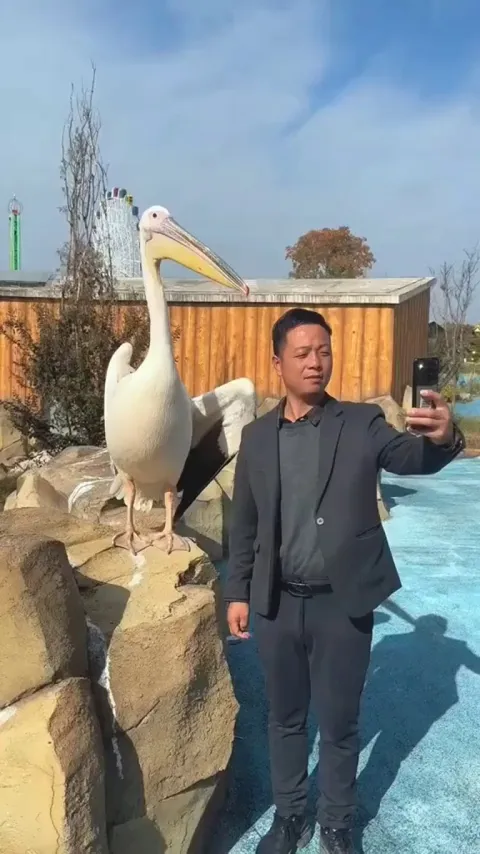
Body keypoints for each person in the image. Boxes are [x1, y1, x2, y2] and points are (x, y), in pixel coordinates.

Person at [224, 308, 464, 854]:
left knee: (339, 722)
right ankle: (290, 817)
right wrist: (237, 592)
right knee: (285, 718)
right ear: (277, 361)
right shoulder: (258, 438)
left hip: (343, 606)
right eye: (303, 352)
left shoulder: (359, 423)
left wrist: (443, 438)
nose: (315, 362)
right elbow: (245, 522)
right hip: (277, 605)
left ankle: (336, 822)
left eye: (324, 351)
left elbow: (409, 456)